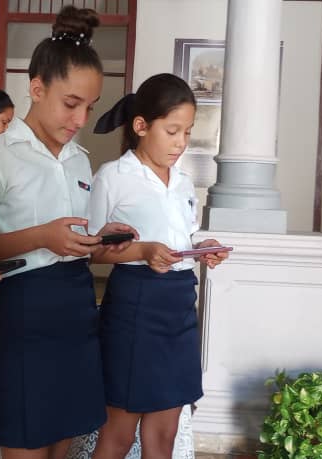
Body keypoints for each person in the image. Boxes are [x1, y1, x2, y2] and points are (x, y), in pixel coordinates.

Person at [0, 6, 136, 459]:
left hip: (77, 311)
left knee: (63, 444)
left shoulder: (80, 160)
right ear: (37, 88)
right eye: (71, 103)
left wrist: (102, 237)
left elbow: (75, 239)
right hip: (23, 314)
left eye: (90, 107)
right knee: (26, 443)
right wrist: (41, 237)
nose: (80, 119)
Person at [87, 73, 228, 459]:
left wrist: (203, 247)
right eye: (172, 131)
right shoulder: (113, 177)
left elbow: (183, 237)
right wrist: (142, 251)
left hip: (179, 306)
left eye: (188, 132)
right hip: (135, 307)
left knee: (164, 436)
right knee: (118, 436)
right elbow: (90, 251)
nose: (181, 142)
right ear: (141, 126)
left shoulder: (183, 181)